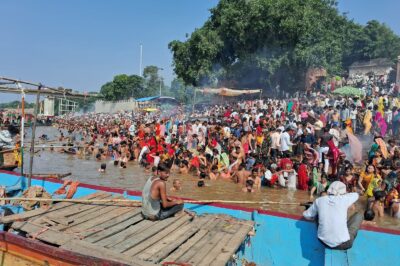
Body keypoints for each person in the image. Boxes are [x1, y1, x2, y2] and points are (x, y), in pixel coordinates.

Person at [303, 181, 363, 250]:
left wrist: (310, 209)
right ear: (343, 193)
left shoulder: (319, 200)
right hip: (344, 244)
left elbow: (306, 216)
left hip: (322, 241)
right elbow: (356, 194)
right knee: (359, 215)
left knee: (317, 213)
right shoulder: (345, 199)